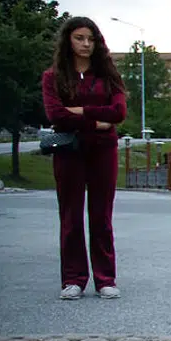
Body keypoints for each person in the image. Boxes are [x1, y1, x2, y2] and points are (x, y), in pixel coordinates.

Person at [41, 16, 128, 300]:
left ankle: (105, 279)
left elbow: (118, 113)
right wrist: (94, 119)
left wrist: (78, 111)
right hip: (69, 151)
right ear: (68, 40)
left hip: (103, 150)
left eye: (90, 39)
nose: (85, 44)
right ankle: (73, 279)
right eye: (79, 38)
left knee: (102, 215)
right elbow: (56, 115)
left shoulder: (108, 76)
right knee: (71, 215)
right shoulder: (53, 77)